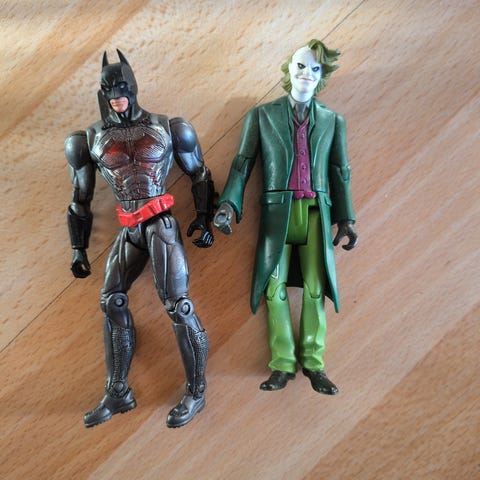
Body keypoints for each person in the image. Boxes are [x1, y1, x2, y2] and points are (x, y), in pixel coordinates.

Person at [65, 50, 214, 428]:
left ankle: (197, 391)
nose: (117, 96)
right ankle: (118, 392)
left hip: (160, 223)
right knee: (111, 300)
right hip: (130, 227)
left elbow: (199, 172)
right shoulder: (89, 138)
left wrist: (204, 218)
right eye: (109, 91)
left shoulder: (169, 127)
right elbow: (80, 197)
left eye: (122, 88)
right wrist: (78, 248)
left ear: (133, 87)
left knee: (179, 306)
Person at [214, 39, 357, 395]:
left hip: (316, 214)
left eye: (315, 69)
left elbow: (340, 171)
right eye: (301, 66)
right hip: (278, 213)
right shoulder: (262, 116)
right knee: (273, 288)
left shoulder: (332, 121)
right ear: (288, 69)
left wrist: (346, 218)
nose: (307, 74)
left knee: (315, 287)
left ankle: (314, 363)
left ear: (322, 76)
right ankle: (282, 364)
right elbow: (242, 164)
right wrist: (229, 204)